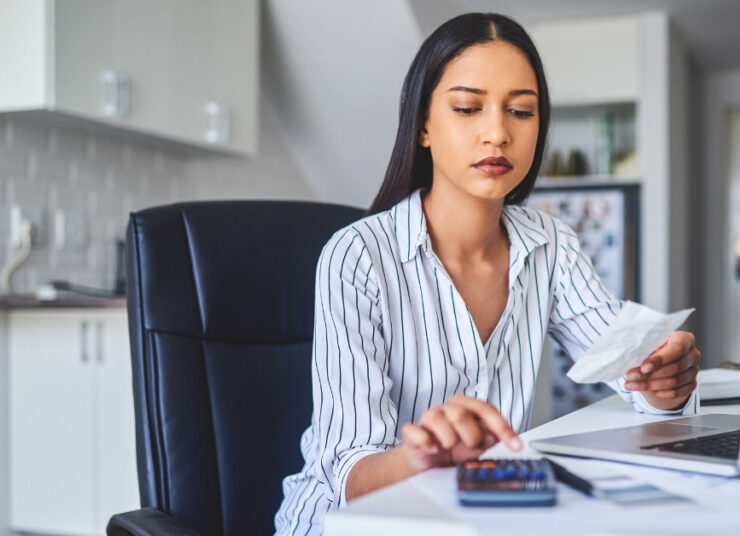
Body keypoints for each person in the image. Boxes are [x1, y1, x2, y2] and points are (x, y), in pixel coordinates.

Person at [274, 12, 701, 534]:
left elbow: (632, 372)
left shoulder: (551, 246)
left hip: (474, 519)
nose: (498, 133)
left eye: (521, 111)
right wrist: (425, 455)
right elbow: (348, 474)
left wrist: (664, 383)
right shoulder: (357, 257)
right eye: (467, 107)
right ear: (424, 125)